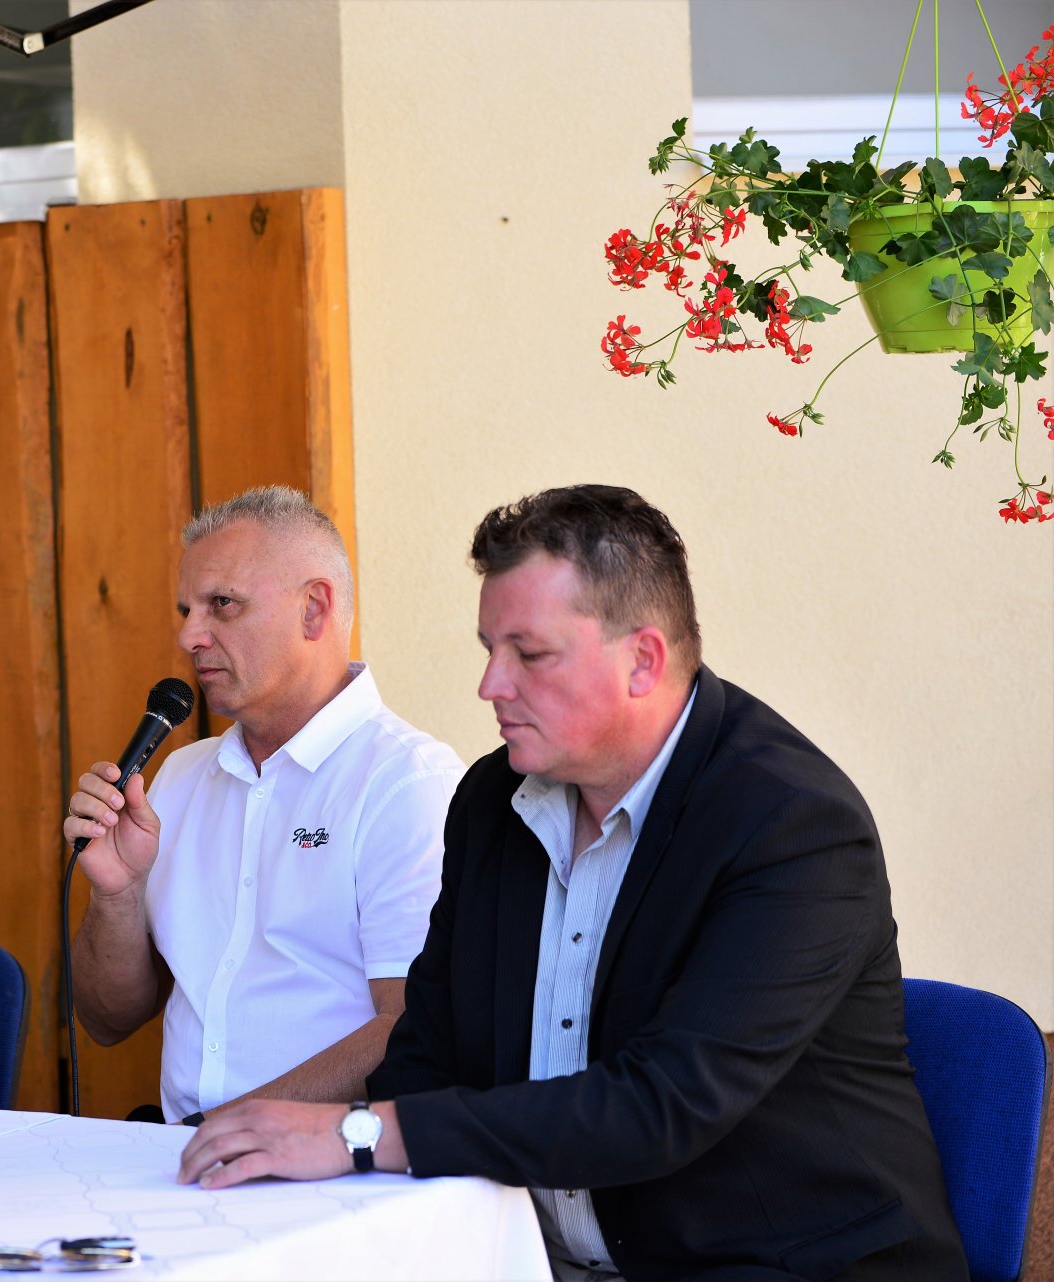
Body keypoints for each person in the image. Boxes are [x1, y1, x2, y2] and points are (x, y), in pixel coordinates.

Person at [176, 485, 967, 1281]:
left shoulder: (791, 824)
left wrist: (355, 1134)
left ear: (643, 661)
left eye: (530, 654)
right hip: (531, 1257)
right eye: (488, 648)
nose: (491, 684)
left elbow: (661, 1106)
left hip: (787, 1263)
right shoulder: (492, 800)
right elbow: (426, 1051)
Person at [65, 485, 464, 1124]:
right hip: (187, 1155)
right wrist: (116, 894)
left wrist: (226, 1127)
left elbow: (412, 1027)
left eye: (222, 605)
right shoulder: (179, 777)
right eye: (187, 609)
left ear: (313, 609)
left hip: (331, 1176)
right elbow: (108, 1021)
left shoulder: (407, 781)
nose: (190, 635)